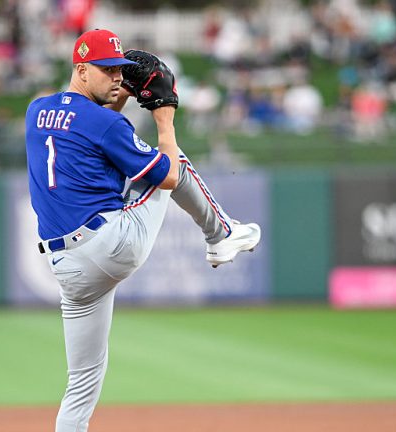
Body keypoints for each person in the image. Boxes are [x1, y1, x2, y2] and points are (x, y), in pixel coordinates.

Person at [24, 29, 261, 432]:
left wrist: (118, 96)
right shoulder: (104, 125)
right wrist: (163, 117)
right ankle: (220, 235)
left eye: (119, 70)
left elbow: (86, 128)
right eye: (107, 70)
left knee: (80, 383)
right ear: (82, 69)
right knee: (173, 158)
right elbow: (165, 178)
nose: (117, 77)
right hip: (110, 245)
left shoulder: (36, 110)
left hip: (66, 267)